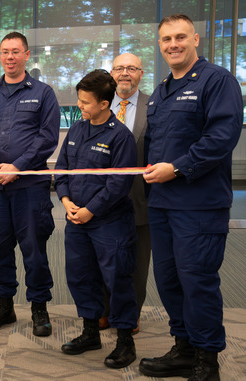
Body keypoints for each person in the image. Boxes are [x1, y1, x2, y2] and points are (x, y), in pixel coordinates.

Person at [140, 14, 243, 381]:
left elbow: (221, 138)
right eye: (166, 39)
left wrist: (178, 168)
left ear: (195, 39)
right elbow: (153, 146)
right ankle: (183, 347)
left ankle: (206, 360)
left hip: (199, 204)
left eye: (180, 37)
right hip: (163, 204)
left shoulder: (218, 82)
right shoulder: (162, 89)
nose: (173, 44)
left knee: (197, 280)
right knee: (169, 280)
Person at [0, 31, 60, 337]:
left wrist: (17, 167)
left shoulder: (43, 93)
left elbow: (48, 138)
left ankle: (39, 308)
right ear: (0, 55)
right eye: (5, 52)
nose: (10, 57)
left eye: (16, 52)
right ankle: (4, 305)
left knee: (34, 247)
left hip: (29, 187)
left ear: (27, 55)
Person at [55, 70, 138, 369]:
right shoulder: (76, 130)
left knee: (117, 279)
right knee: (80, 276)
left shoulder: (121, 137)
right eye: (79, 100)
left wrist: (90, 210)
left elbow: (118, 185)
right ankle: (90, 332)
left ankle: (125, 341)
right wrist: (65, 201)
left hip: (109, 222)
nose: (80, 106)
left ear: (105, 103)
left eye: (86, 102)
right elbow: (61, 170)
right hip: (76, 221)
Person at [99, 53, 151, 334]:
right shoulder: (101, 104)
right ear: (111, 74)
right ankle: (106, 310)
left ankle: (132, 313)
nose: (125, 73)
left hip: (141, 197)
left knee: (137, 262)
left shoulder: (153, 105)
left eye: (131, 68)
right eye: (119, 68)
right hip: (103, 198)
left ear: (141, 73)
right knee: (105, 256)